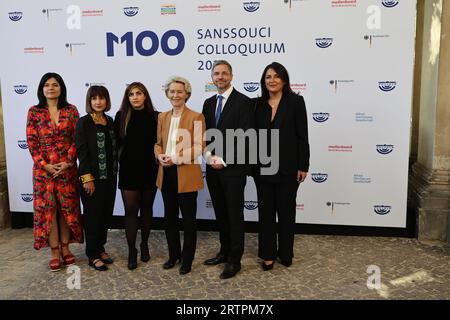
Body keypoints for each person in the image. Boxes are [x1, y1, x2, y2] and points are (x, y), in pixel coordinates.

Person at [253, 62, 310, 271]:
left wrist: (303, 165)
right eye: (268, 77)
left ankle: (286, 252)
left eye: (276, 76)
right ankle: (267, 254)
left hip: (288, 168)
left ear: (284, 80)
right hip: (263, 168)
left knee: (286, 213)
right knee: (266, 214)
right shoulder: (257, 104)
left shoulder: (296, 102)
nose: (272, 80)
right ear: (264, 81)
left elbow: (302, 136)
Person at [202, 60, 255, 279]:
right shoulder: (207, 103)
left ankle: (235, 260)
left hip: (233, 168)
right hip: (212, 168)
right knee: (221, 213)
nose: (220, 77)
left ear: (231, 76)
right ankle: (224, 251)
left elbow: (246, 136)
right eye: (216, 74)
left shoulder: (244, 102)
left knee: (234, 214)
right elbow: (204, 135)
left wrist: (223, 159)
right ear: (212, 78)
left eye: (224, 73)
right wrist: (208, 157)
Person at [26, 72, 83, 271]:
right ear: (42, 89)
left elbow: (77, 139)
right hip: (43, 173)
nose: (51, 88)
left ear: (61, 88)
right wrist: (45, 164)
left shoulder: (71, 110)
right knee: (48, 211)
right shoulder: (34, 112)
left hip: (66, 170)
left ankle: (66, 249)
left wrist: (68, 162)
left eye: (55, 84)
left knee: (66, 211)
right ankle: (54, 252)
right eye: (47, 85)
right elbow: (32, 142)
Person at [155, 76, 205, 275]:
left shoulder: (197, 117)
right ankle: (173, 255)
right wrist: (159, 155)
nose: (176, 95)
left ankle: (187, 259)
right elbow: (157, 142)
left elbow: (200, 146)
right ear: (167, 94)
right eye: (172, 91)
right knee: (169, 219)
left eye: (179, 91)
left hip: (186, 174)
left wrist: (175, 158)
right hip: (165, 174)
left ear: (187, 94)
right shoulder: (162, 117)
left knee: (189, 221)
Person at [114, 82, 159, 270]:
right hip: (128, 170)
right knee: (131, 211)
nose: (135, 97)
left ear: (145, 96)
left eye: (138, 93)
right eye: (131, 94)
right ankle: (132, 250)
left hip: (150, 169)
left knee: (147, 209)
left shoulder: (156, 117)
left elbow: (161, 143)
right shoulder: (121, 116)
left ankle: (144, 244)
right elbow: (115, 144)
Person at [75, 86, 117, 272]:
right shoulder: (83, 123)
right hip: (91, 179)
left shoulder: (110, 121)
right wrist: (87, 178)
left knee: (105, 214)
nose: (98, 102)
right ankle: (92, 254)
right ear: (89, 101)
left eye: (101, 98)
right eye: (94, 98)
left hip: (110, 177)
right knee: (92, 216)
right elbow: (82, 153)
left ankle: (101, 248)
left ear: (107, 101)